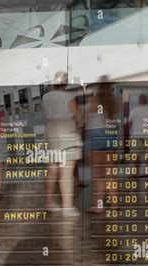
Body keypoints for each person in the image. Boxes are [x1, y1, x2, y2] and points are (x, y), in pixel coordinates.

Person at [42, 71, 82, 218]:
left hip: (51, 135)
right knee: (66, 173)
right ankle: (67, 207)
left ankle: (49, 203)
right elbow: (78, 116)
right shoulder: (68, 96)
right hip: (67, 135)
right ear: (65, 83)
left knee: (52, 171)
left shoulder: (45, 97)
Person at [85, 76, 118, 214]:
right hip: (110, 136)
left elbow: (85, 118)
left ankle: (99, 206)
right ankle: (114, 204)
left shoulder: (94, 99)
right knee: (109, 174)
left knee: (98, 175)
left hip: (96, 137)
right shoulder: (113, 101)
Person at [128, 94, 148, 176]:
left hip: (136, 136)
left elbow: (129, 123)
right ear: (147, 101)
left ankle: (136, 173)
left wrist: (135, 128)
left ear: (139, 101)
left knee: (136, 156)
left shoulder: (133, 110)